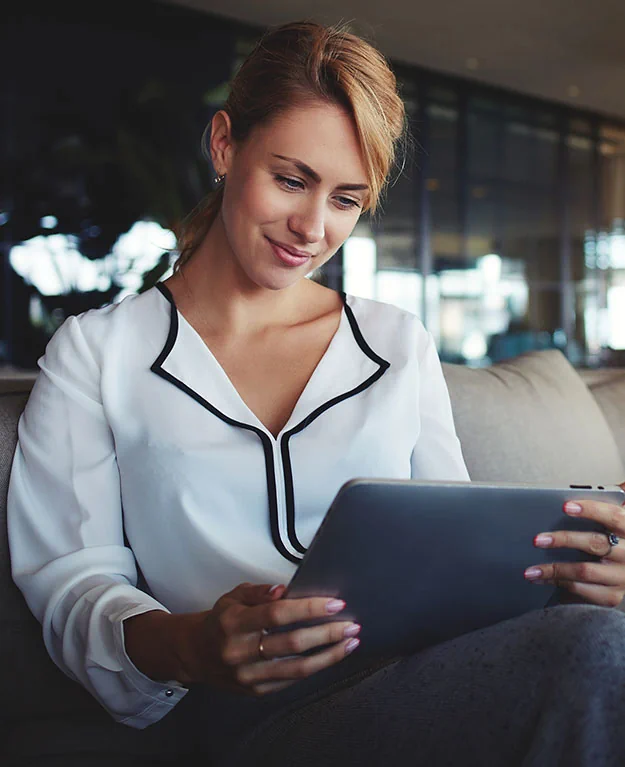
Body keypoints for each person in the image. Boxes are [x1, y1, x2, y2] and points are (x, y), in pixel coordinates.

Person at [8, 20, 625, 767]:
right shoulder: (97, 352)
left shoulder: (396, 341)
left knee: (599, 635)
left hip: (410, 678)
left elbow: (454, 553)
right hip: (239, 713)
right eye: (291, 179)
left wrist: (575, 576)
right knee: (595, 654)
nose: (312, 227)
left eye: (346, 199)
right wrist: (195, 643)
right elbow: (71, 582)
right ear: (225, 144)